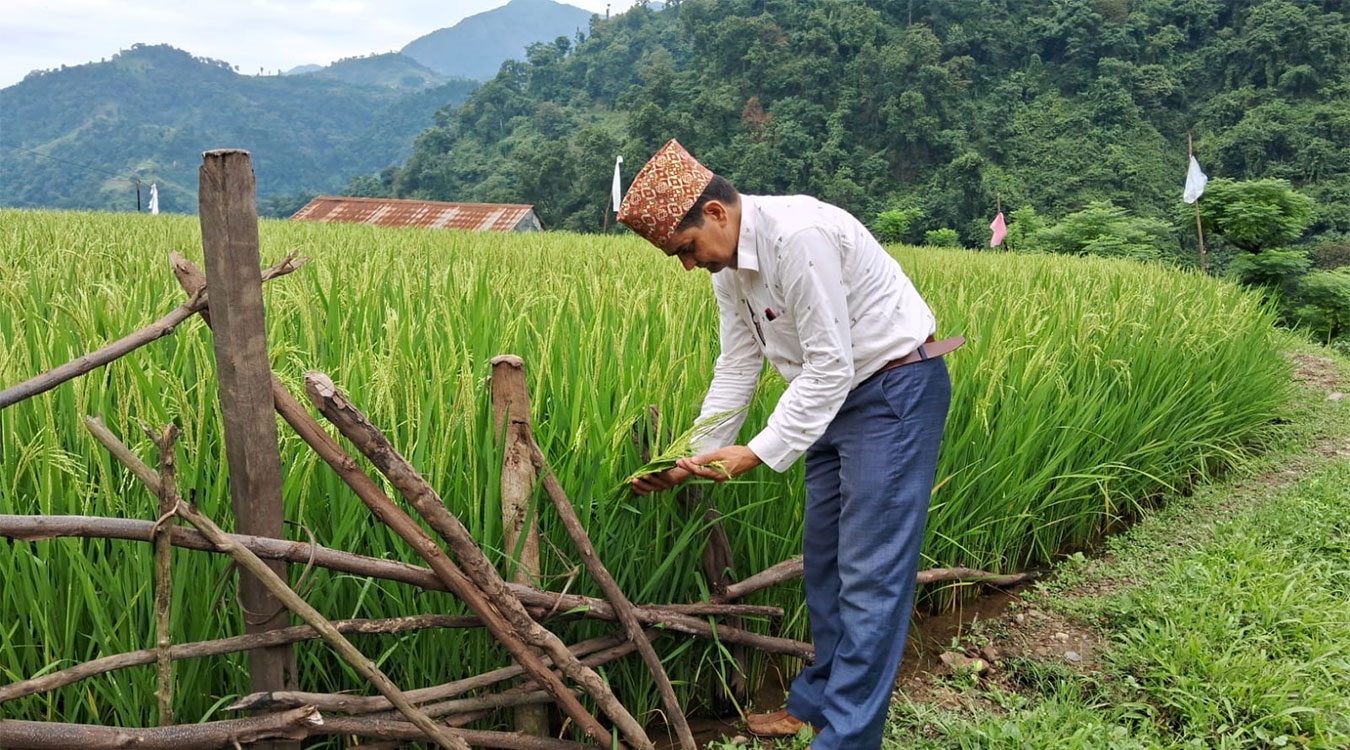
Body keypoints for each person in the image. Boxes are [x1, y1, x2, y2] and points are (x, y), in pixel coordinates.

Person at [621, 139, 961, 750]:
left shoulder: (797, 236)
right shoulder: (731, 268)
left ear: (717, 214)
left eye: (686, 249)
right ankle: (816, 707)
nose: (688, 265)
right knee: (826, 565)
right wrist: (687, 458)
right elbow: (738, 364)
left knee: (871, 575)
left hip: (891, 392)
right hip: (827, 403)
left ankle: (847, 740)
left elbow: (830, 365)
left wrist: (753, 451)